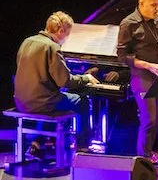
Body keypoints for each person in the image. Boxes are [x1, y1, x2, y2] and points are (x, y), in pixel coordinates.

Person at [13, 11, 98, 148]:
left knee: (52, 96)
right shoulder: (52, 47)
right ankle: (83, 146)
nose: (67, 38)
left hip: (21, 100)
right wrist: (86, 78)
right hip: (41, 102)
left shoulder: (27, 41)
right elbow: (65, 81)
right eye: (67, 34)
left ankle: (37, 143)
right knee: (82, 100)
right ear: (60, 30)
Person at [117, 0, 158, 161]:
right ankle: (142, 159)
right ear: (141, 3)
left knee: (157, 120)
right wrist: (149, 66)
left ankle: (149, 154)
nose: (157, 9)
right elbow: (122, 57)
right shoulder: (128, 24)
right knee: (149, 120)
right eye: (153, 5)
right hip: (142, 76)